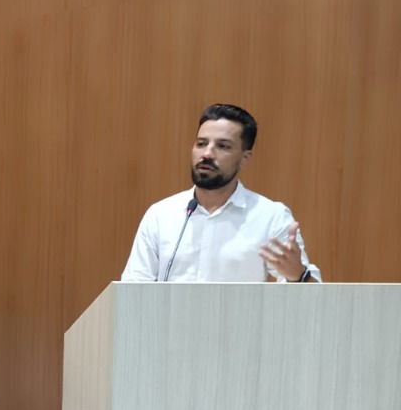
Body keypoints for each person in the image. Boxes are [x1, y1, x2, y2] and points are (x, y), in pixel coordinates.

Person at [122, 104, 321, 283]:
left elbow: (313, 298)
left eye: (222, 146)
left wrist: (299, 276)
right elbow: (132, 288)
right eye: (201, 144)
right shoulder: (161, 215)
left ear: (245, 158)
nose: (207, 154)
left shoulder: (270, 217)